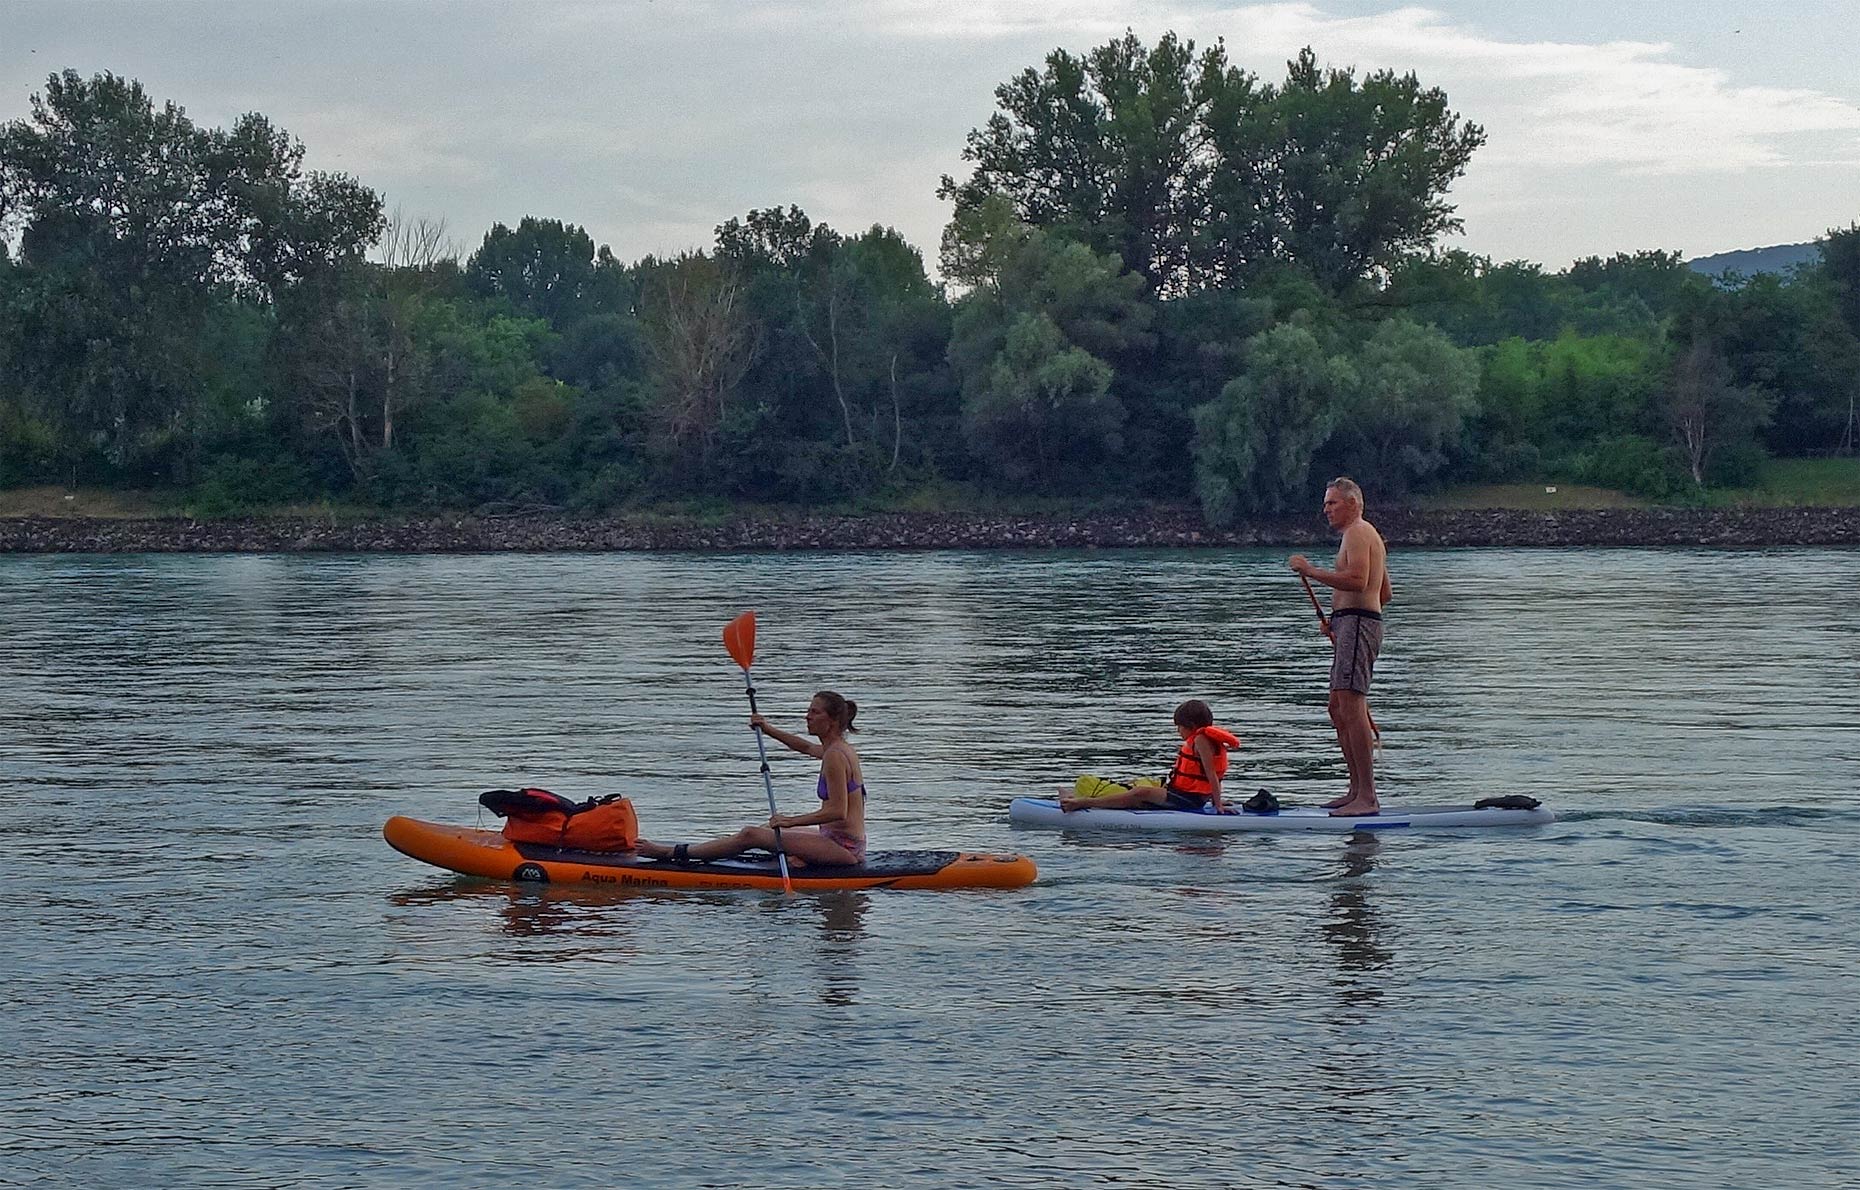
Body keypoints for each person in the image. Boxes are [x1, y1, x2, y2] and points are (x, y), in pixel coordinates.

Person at [637, 690, 868, 866]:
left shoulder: (836, 757)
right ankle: (796, 855)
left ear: (833, 720)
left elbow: (837, 811)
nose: (807, 716)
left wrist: (790, 821)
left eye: (814, 712)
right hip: (832, 838)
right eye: (809, 711)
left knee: (751, 834)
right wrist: (766, 728)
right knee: (765, 829)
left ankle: (671, 853)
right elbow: (806, 747)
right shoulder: (837, 749)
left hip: (844, 848)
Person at [1289, 476, 1392, 817]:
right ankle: (1355, 790)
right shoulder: (1363, 535)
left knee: (1351, 705)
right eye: (1325, 504)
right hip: (1354, 622)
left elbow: (1358, 581)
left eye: (1332, 503)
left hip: (1360, 624)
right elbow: (1383, 592)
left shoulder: (1359, 532)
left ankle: (1368, 797)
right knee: (1337, 707)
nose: (1326, 510)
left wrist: (1310, 570)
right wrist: (1340, 615)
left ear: (1353, 503)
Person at [1058, 699, 1240, 814]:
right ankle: (1077, 798)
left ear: (1191, 725)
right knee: (1140, 788)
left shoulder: (1200, 740)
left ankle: (1081, 803)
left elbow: (1211, 775)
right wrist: (1212, 799)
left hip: (1188, 800)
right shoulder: (1203, 738)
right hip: (1185, 795)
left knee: (1140, 793)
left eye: (1179, 727)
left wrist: (1218, 806)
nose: (1178, 732)